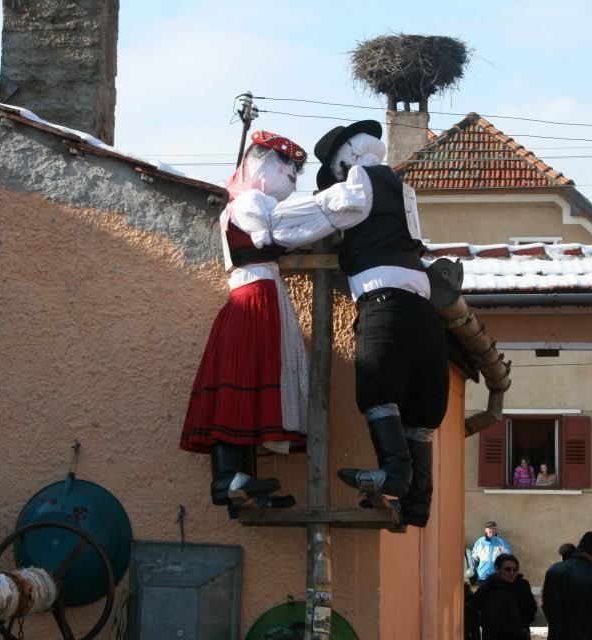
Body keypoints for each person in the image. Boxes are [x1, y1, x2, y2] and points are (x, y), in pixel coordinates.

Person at [282, 119, 448, 528]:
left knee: (377, 387)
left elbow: (318, 215)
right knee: (420, 411)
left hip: (386, 302)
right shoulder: (403, 192)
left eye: (336, 169)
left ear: (346, 159)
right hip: (427, 315)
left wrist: (270, 216)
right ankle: (417, 503)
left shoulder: (362, 179)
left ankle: (394, 474)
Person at [179, 130, 309, 518]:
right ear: (263, 163)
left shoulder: (245, 202)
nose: (290, 177)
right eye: (285, 167)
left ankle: (243, 487)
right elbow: (274, 236)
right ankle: (226, 482)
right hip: (254, 297)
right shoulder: (250, 202)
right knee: (242, 386)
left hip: (254, 295)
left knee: (248, 390)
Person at [473, 553, 537, 640]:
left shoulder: (522, 586)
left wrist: (522, 625)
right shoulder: (488, 588)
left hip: (518, 634)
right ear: (497, 569)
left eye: (515, 570)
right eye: (508, 569)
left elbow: (531, 607)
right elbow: (477, 605)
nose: (512, 573)